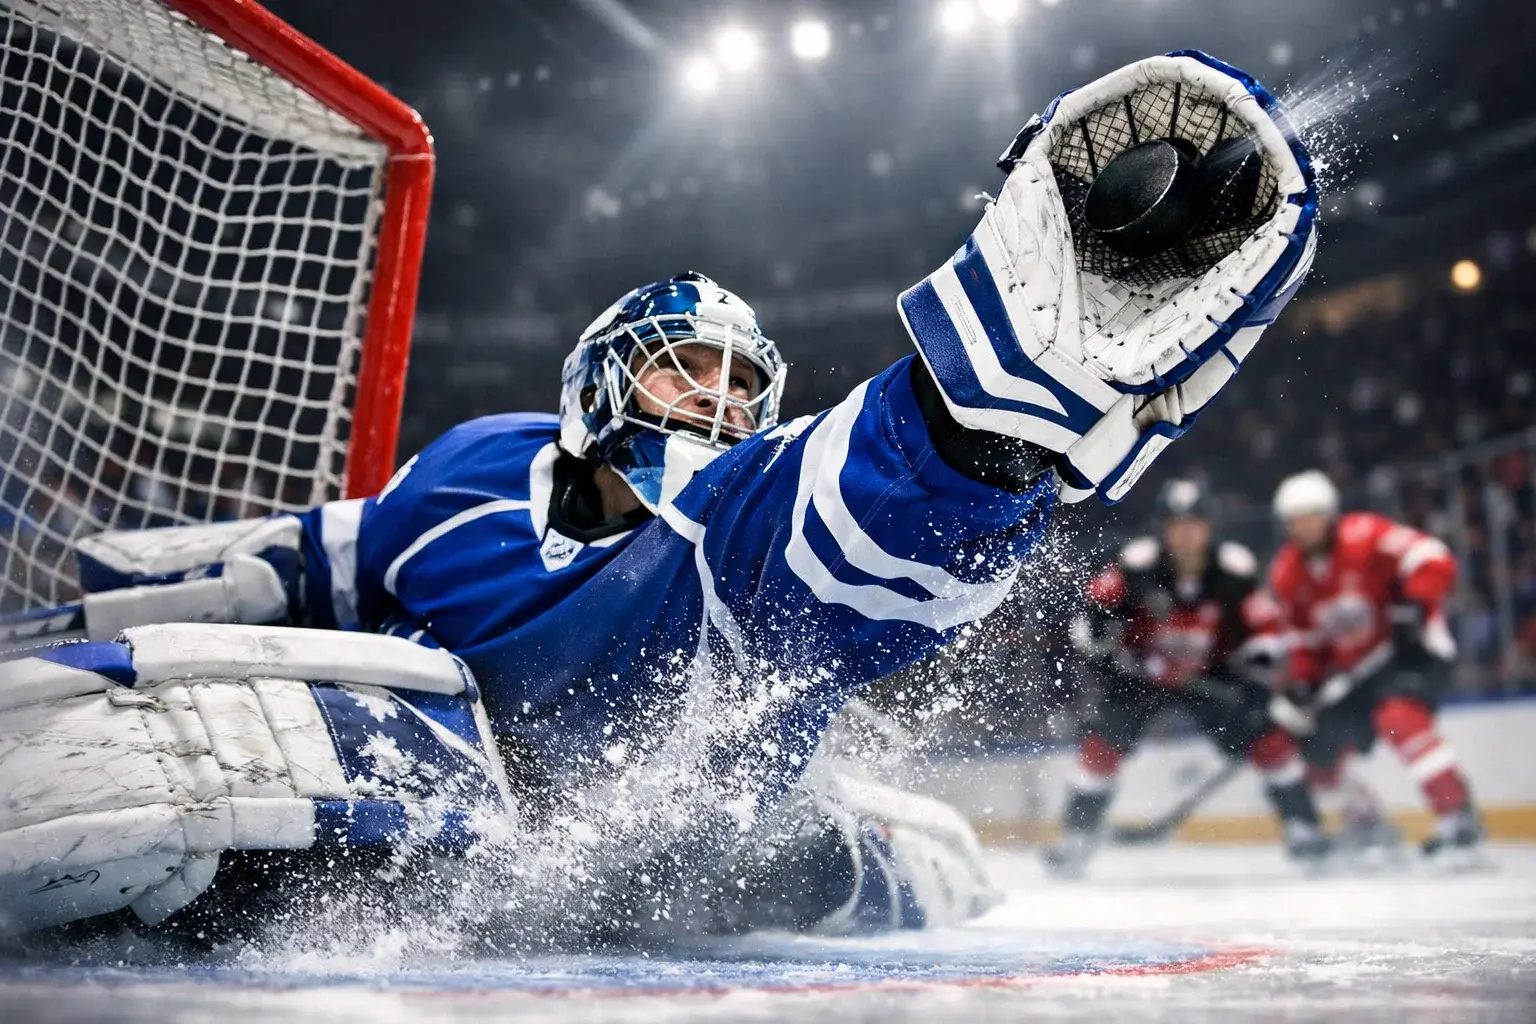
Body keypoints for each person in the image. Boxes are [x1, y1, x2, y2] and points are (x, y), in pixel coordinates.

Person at [0, 51, 1318, 939]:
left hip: (692, 805)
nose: (724, 402)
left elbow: (815, 538)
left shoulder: (732, 499)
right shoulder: (472, 469)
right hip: (483, 781)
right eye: (691, 373)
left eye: (746, 385)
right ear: (596, 379)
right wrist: (114, 615)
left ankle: (993, 409)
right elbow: (316, 559)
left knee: (777, 546)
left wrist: (975, 455)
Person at [1044, 480, 1325, 877]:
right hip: (1140, 678)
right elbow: (1089, 621)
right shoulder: (1136, 565)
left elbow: (1263, 629)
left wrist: (1259, 677)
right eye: (1177, 524)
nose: (1186, 534)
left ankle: (1303, 828)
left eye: (1195, 523)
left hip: (1211, 677)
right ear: (1163, 528)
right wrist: (1103, 654)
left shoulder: (1233, 569)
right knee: (1100, 745)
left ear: (1210, 527)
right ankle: (1076, 838)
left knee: (1270, 739)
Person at [1266, 470, 1486, 863]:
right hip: (1357, 673)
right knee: (1317, 747)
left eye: (1311, 516)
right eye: (1295, 520)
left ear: (1330, 514)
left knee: (1399, 718)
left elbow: (1432, 556)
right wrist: (1305, 683)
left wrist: (1414, 602)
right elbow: (1304, 639)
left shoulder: (1365, 535)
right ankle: (1365, 822)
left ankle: (1457, 816)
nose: (1304, 527)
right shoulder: (1287, 572)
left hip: (1410, 651)